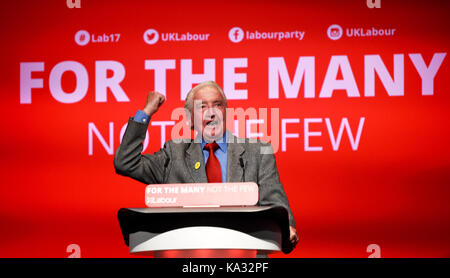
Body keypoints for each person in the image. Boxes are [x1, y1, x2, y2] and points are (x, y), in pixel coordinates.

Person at [114, 81, 299, 250]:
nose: (212, 112)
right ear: (189, 119)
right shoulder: (173, 154)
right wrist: (146, 112)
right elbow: (125, 163)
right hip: (189, 258)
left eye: (218, 105)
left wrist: (287, 228)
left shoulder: (258, 151)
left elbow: (276, 204)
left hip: (244, 257)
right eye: (202, 107)